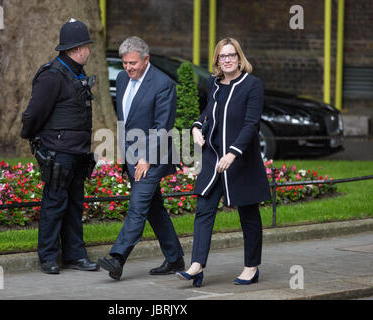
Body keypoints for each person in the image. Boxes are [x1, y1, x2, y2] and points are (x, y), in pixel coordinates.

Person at [176, 37, 271, 287]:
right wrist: (197, 126)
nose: (227, 60)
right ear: (217, 60)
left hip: (241, 161)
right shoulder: (214, 83)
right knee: (204, 208)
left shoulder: (253, 85)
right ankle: (197, 265)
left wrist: (234, 152)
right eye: (222, 56)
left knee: (248, 215)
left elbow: (251, 124)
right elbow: (209, 112)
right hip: (214, 157)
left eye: (231, 55)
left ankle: (251, 267)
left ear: (239, 58)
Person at [98, 36, 184, 280]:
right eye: (125, 63)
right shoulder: (124, 78)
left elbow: (162, 127)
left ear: (147, 59)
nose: (128, 67)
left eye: (133, 63)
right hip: (131, 156)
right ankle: (175, 258)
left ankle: (117, 258)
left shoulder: (163, 84)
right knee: (154, 209)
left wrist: (145, 158)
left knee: (137, 206)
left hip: (152, 158)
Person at [20, 19, 99, 274]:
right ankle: (49, 257)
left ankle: (75, 255)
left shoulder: (77, 72)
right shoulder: (52, 75)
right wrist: (32, 136)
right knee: (54, 204)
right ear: (77, 48)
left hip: (78, 152)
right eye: (87, 45)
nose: (89, 49)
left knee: (75, 205)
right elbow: (34, 114)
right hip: (59, 152)